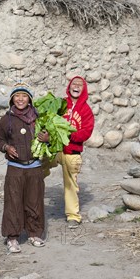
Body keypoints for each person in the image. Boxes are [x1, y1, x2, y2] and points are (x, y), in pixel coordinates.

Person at [0, 82, 48, 253]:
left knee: (35, 200)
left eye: (24, 96)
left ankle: (34, 234)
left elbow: (50, 138)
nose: (20, 99)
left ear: (30, 99)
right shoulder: (6, 119)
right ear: (12, 99)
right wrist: (6, 148)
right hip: (15, 167)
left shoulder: (39, 118)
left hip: (34, 166)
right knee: (13, 201)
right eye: (17, 96)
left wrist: (46, 139)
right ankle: (12, 238)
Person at [38, 76, 94, 229]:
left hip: (72, 152)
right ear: (69, 87)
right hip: (54, 148)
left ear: (84, 90)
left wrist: (66, 135)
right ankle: (32, 205)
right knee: (36, 169)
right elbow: (48, 120)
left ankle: (73, 216)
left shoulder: (86, 110)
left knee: (70, 184)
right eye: (73, 84)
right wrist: (48, 136)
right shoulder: (61, 104)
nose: (76, 86)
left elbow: (86, 133)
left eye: (79, 85)